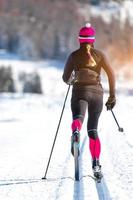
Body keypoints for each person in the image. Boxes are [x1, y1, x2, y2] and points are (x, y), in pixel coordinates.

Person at [62, 23, 116, 179]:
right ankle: (96, 164)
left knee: (78, 118)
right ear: (93, 40)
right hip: (97, 94)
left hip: (80, 92)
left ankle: (76, 131)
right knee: (93, 129)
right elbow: (111, 75)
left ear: (79, 40)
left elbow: (65, 78)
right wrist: (112, 96)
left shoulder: (73, 55)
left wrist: (71, 79)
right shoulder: (100, 55)